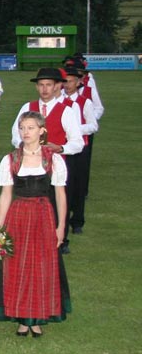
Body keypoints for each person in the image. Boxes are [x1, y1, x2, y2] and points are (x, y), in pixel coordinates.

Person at [0, 111, 71, 337]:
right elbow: (5, 195)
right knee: (17, 263)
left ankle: (37, 317)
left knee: (42, 264)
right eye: (22, 128)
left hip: (43, 215)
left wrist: (60, 226)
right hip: (18, 215)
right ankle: (21, 318)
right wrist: (0, 228)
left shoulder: (53, 159)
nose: (26, 132)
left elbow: (61, 195)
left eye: (31, 128)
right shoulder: (11, 159)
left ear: (41, 131)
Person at [10, 67, 84, 254]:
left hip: (56, 164)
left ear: (58, 86)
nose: (44, 89)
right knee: (31, 202)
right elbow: (14, 134)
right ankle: (33, 240)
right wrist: (26, 145)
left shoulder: (66, 110)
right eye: (41, 85)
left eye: (49, 85)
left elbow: (77, 142)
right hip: (30, 164)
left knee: (57, 200)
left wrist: (60, 148)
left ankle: (60, 238)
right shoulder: (28, 107)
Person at [61, 67, 97, 237]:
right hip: (61, 148)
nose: (67, 85)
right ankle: (62, 220)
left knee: (79, 185)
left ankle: (77, 221)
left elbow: (93, 125)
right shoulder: (59, 102)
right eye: (65, 81)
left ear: (78, 83)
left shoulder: (85, 102)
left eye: (71, 81)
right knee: (63, 186)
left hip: (79, 150)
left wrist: (75, 129)